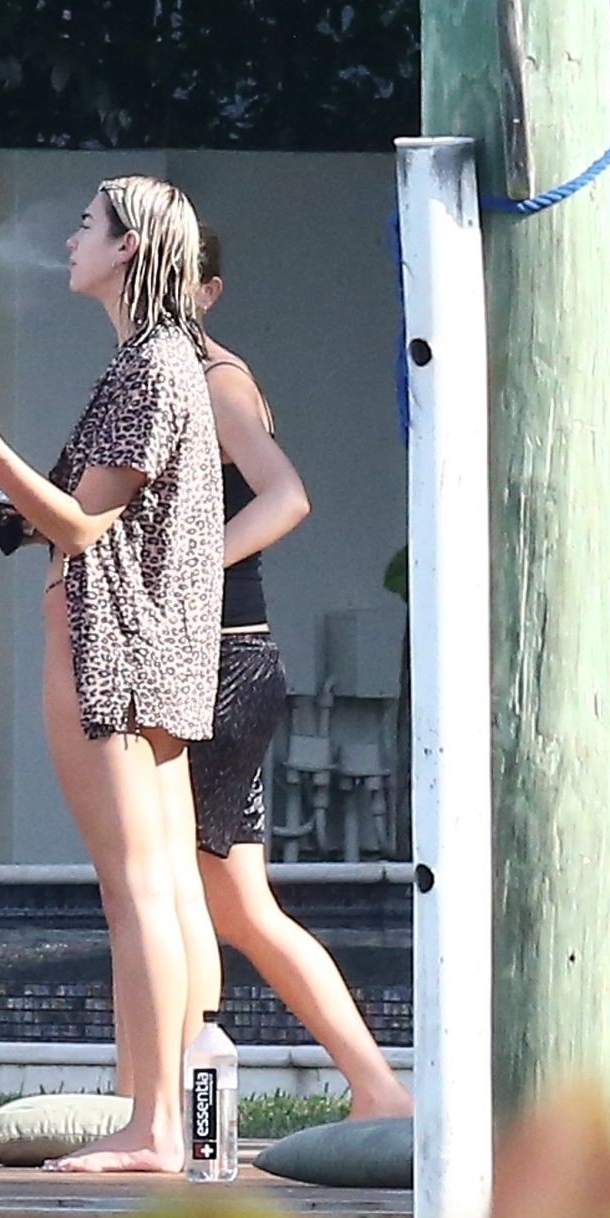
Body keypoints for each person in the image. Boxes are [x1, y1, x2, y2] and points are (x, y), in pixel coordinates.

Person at [0, 176, 223, 1173]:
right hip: (156, 652)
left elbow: (85, 523)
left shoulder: (150, 366)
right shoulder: (167, 360)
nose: (69, 239)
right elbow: (89, 510)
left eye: (87, 226)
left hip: (115, 650)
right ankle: (161, 1112)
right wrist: (10, 510)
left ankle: (154, 1124)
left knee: (136, 892)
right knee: (163, 886)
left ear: (129, 247)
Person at [188, 226, 412, 1120]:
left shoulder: (215, 380)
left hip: (220, 659)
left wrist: (186, 569)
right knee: (236, 905)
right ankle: (376, 1087)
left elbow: (287, 495)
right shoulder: (170, 375)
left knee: (183, 894)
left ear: (207, 290)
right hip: (220, 659)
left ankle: (167, 1104)